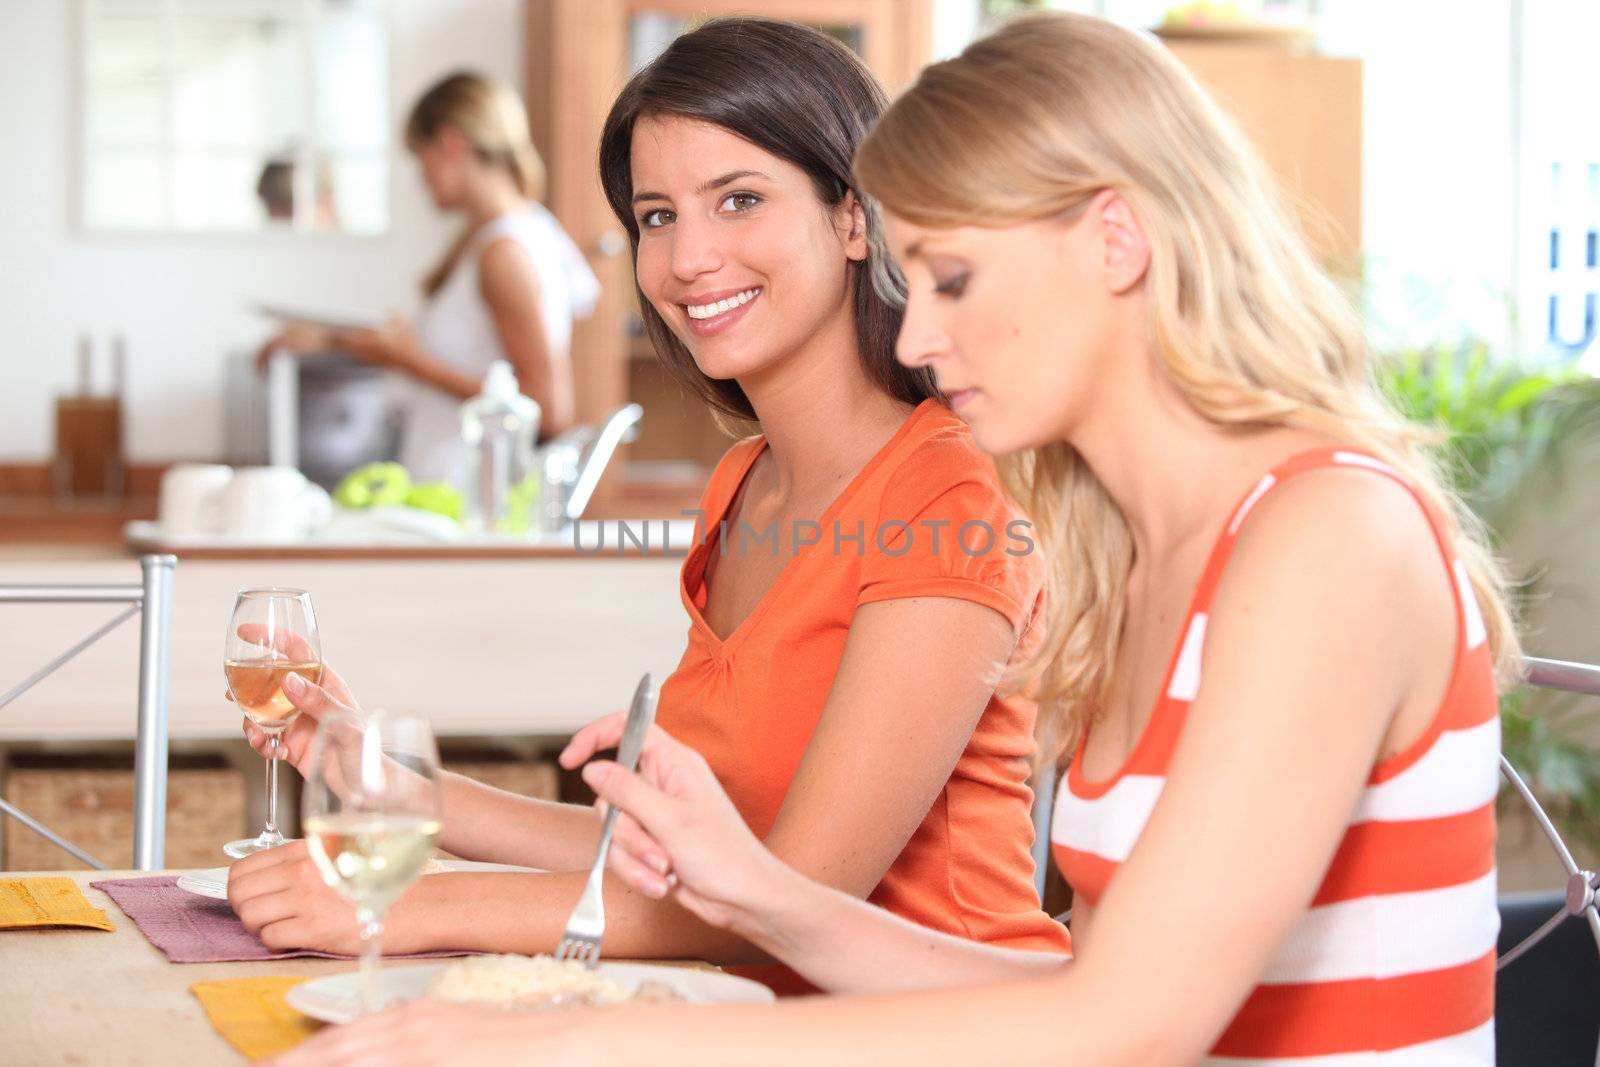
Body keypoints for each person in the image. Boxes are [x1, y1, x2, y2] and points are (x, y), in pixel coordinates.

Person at [272, 11, 1520, 1067]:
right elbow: (1067, 985)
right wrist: (752, 886)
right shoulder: (1137, 560)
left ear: (1117, 240)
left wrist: (533, 1037)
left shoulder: (1325, 535)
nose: (914, 337)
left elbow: (1125, 1022)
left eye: (954, 280)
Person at [229, 18, 1069, 995]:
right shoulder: (743, 481)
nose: (686, 259)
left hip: (946, 1033)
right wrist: (403, 793)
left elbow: (790, 892)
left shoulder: (948, 493)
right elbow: (674, 860)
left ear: (853, 217)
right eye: (657, 216)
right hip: (736, 1012)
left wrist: (413, 901)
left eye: (739, 200)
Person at [256, 72, 599, 481]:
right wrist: (329, 340)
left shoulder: (505, 254)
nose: (422, 178)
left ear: (450, 144)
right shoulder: (494, 237)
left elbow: (548, 409)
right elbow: (468, 355)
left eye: (420, 157)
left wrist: (408, 361)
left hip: (471, 498)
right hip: (449, 489)